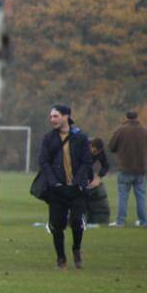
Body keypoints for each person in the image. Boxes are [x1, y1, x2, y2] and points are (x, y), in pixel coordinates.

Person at [37, 104, 94, 268]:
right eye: (51, 117)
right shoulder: (49, 138)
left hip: (76, 189)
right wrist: (53, 182)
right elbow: (43, 161)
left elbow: (87, 161)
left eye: (55, 116)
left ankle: (76, 250)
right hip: (57, 189)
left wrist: (78, 181)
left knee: (77, 222)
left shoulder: (81, 137)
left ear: (66, 116)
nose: (52, 120)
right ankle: (61, 259)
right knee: (56, 225)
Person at [108, 110, 147, 227]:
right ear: (137, 117)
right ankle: (144, 222)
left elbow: (111, 147)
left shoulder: (121, 130)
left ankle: (120, 221)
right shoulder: (145, 130)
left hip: (125, 169)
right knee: (141, 197)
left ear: (126, 118)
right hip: (141, 169)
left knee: (123, 196)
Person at [86, 136, 111, 226]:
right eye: (94, 151)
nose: (95, 154)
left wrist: (98, 177)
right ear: (90, 146)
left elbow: (106, 166)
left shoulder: (100, 152)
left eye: (98, 152)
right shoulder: (81, 147)